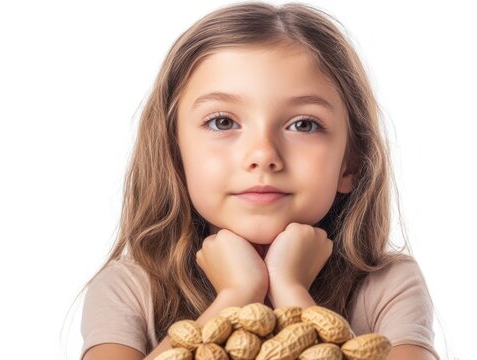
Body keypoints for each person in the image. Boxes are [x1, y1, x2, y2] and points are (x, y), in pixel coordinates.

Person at [78, 2, 439, 360]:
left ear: (350, 163)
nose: (263, 154)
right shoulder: (129, 288)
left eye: (303, 124)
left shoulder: (387, 284)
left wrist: (290, 288)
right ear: (174, 155)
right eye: (222, 122)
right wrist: (236, 294)